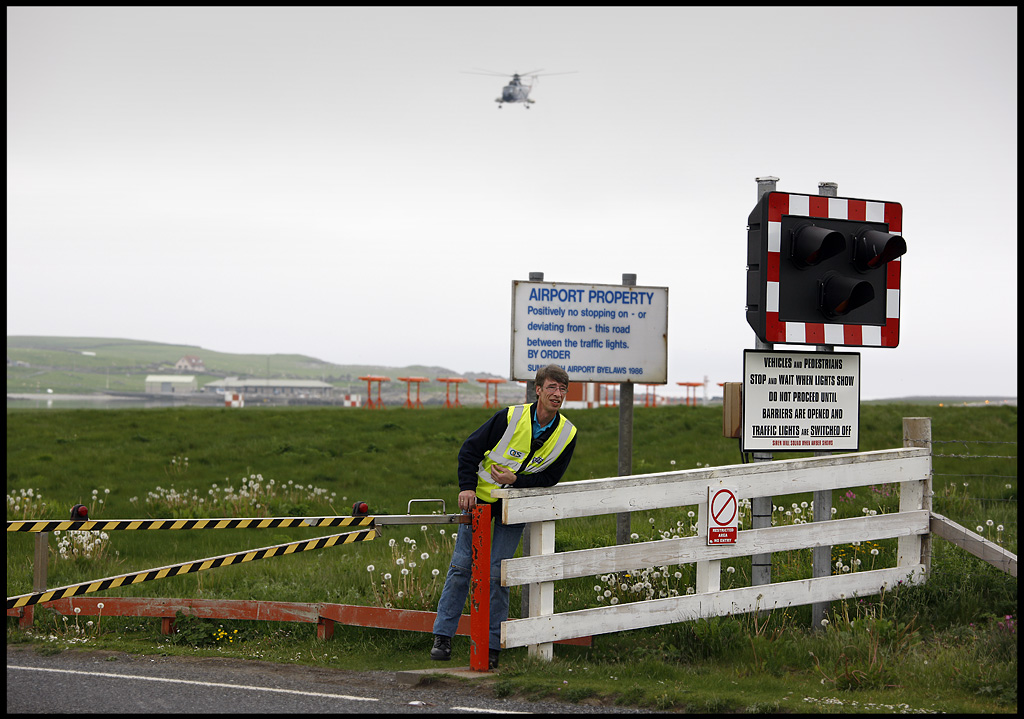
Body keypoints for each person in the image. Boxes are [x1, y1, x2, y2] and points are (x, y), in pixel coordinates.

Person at [429, 364, 577, 670]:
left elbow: (550, 477)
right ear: (538, 390)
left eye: (562, 389)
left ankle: (492, 645)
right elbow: (470, 449)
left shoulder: (567, 433)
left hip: (515, 507)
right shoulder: (510, 417)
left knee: (498, 575)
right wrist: (467, 488)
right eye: (551, 387)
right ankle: (443, 637)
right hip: (479, 503)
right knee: (461, 568)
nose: (557, 394)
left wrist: (516, 481)